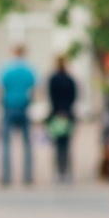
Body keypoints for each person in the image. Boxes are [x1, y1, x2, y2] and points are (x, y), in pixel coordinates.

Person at [0, 43, 37, 186]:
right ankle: (28, 176)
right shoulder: (29, 70)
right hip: (24, 107)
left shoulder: (6, 69)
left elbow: (0, 89)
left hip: (8, 107)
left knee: (6, 144)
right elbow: (34, 90)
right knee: (27, 144)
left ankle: (6, 176)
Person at [45, 54, 79, 182]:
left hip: (56, 115)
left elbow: (52, 97)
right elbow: (73, 97)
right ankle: (67, 172)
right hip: (68, 114)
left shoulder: (53, 79)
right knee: (67, 145)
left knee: (58, 145)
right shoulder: (70, 79)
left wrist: (58, 110)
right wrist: (66, 109)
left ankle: (58, 172)